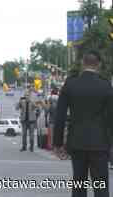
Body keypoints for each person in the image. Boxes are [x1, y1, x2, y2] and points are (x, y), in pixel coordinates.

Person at [53, 51, 113, 197]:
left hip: (77, 142)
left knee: (79, 185)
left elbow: (59, 116)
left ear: (82, 63)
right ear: (98, 65)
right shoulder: (106, 86)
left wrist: (58, 143)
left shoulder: (71, 84)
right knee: (101, 187)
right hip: (100, 143)